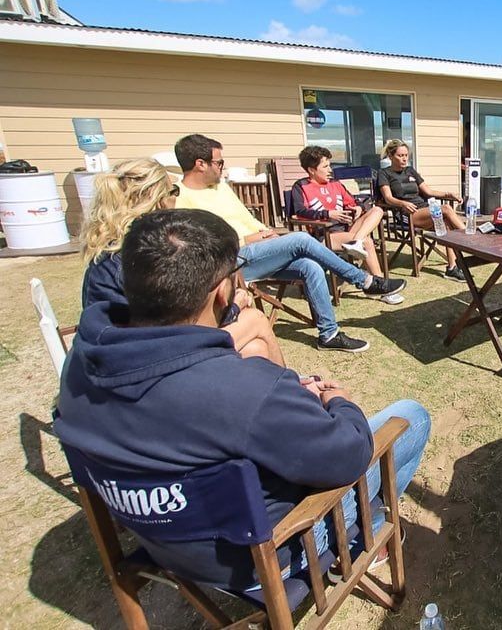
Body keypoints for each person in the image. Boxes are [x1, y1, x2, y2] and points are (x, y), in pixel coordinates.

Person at [54, 209, 431, 591]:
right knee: (410, 417)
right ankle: (364, 533)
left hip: (160, 543)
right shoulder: (240, 389)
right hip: (258, 561)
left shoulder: (80, 363)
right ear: (222, 291)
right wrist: (338, 401)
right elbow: (346, 456)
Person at [174, 134, 405, 353]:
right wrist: (252, 238)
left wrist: (266, 232)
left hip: (261, 251)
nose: (222, 167)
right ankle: (364, 280)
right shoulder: (179, 199)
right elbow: (203, 247)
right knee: (301, 239)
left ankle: (329, 335)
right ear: (200, 164)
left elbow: (247, 219)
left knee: (310, 266)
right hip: (233, 262)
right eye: (219, 162)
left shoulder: (220, 187)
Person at [80, 158, 284, 366]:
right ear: (158, 200)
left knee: (255, 348)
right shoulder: (144, 257)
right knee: (256, 320)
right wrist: (233, 307)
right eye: (173, 191)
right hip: (143, 362)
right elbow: (181, 323)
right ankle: (293, 391)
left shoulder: (113, 255)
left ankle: (286, 389)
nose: (176, 199)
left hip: (121, 353)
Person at [292, 145, 398, 301]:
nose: (330, 170)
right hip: (325, 234)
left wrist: (358, 207)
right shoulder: (301, 186)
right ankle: (381, 288)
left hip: (348, 229)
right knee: (367, 242)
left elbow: (355, 201)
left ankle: (357, 241)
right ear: (311, 170)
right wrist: (328, 213)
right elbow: (299, 212)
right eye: (325, 166)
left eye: (330, 165)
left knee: (377, 211)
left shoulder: (335, 184)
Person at [376, 138, 466, 281]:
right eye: (400, 155)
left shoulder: (411, 171)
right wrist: (402, 203)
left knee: (447, 223)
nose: (404, 159)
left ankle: (452, 268)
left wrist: (448, 194)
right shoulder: (384, 174)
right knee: (446, 209)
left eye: (406, 155)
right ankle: (470, 238)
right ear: (391, 156)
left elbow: (428, 191)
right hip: (406, 213)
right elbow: (388, 198)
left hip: (423, 210)